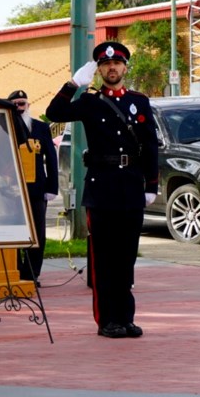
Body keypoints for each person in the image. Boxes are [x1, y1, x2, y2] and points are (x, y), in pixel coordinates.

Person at [46, 41, 159, 339]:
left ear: (125, 67)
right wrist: (73, 84)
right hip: (102, 189)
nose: (112, 68)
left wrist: (151, 185)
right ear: (98, 70)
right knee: (104, 260)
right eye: (106, 64)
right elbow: (54, 112)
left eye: (117, 63)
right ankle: (107, 320)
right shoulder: (90, 101)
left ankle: (126, 317)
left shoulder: (139, 101)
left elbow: (150, 146)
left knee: (127, 259)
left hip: (132, 188)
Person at [8, 89, 59, 286]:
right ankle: (15, 270)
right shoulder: (4, 127)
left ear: (28, 105)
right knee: (13, 231)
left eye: (23, 104)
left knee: (36, 233)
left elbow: (51, 159)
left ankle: (31, 274)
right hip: (10, 189)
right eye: (16, 104)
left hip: (36, 189)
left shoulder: (40, 127)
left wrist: (51, 187)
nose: (20, 108)